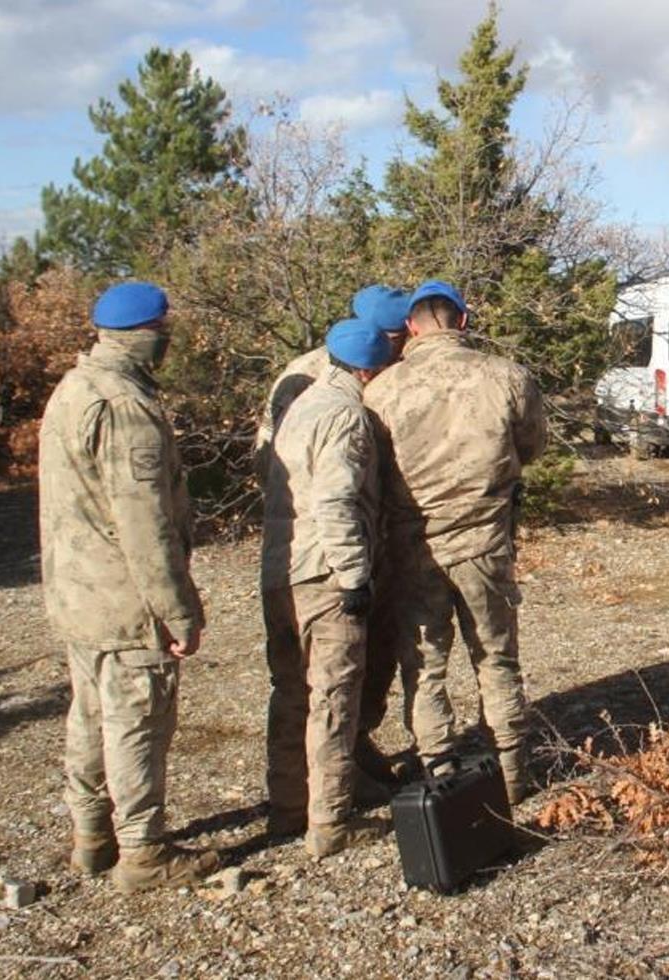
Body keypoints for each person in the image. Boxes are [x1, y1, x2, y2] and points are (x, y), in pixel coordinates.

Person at [38, 281, 219, 893]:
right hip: (124, 599)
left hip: (78, 593)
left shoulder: (73, 389)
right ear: (149, 334)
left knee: (90, 712)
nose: (169, 339)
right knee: (137, 718)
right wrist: (177, 608)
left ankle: (91, 834)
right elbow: (144, 523)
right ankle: (143, 851)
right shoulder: (125, 407)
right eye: (166, 328)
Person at [364, 280, 547, 803]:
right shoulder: (507, 377)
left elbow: (369, 472)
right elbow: (531, 445)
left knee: (424, 668)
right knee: (496, 658)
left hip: (413, 546)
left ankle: (440, 776)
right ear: (462, 322)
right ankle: (512, 776)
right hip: (486, 543)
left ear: (411, 328)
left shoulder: (380, 391)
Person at [260, 316, 395, 858]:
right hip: (323, 574)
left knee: (290, 692)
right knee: (334, 698)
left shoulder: (299, 407)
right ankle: (332, 822)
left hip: (280, 570)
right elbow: (336, 500)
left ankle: (287, 807)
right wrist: (354, 575)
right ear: (369, 369)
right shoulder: (346, 416)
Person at [254, 285, 411, 476]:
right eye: (398, 339)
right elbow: (269, 450)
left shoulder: (397, 368)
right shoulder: (305, 373)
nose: (403, 345)